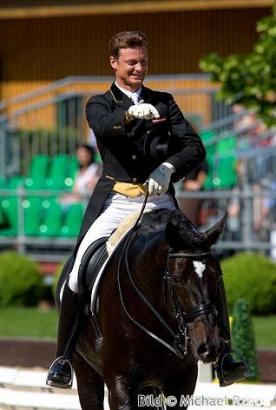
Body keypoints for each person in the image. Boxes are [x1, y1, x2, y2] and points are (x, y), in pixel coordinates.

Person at [46, 31, 248, 389]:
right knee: (77, 272)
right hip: (117, 201)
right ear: (114, 63)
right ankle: (63, 359)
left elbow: (194, 147)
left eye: (143, 62)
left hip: (159, 200)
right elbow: (104, 127)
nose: (139, 68)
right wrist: (128, 116)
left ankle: (226, 356)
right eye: (132, 62)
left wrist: (170, 168)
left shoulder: (165, 102)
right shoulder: (100, 103)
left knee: (203, 261)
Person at [59, 144, 100, 208]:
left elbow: (93, 186)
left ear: (90, 154)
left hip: (90, 198)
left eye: (84, 153)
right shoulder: (78, 171)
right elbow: (75, 189)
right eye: (79, 154)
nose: (81, 156)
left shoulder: (97, 168)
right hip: (79, 197)